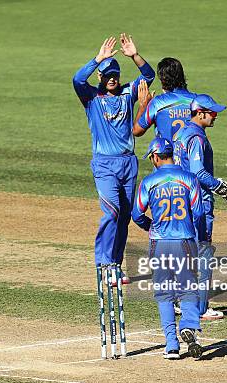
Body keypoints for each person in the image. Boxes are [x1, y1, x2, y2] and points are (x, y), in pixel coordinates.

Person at [72, 34, 155, 281]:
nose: (111, 79)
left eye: (115, 75)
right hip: (104, 164)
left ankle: (115, 265)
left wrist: (134, 56)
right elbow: (77, 79)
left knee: (125, 216)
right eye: (107, 75)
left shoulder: (127, 93)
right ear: (100, 76)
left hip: (128, 162)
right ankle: (104, 263)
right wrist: (99, 58)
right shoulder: (90, 97)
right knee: (112, 212)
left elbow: (149, 77)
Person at [132, 138, 205, 359]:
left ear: (155, 156)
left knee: (164, 293)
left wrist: (150, 226)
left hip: (159, 243)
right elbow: (199, 214)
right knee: (189, 289)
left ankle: (171, 346)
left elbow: (136, 215)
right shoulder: (190, 179)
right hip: (184, 241)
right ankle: (189, 325)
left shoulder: (149, 182)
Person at [173, 94, 227, 320]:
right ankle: (200, 308)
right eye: (212, 112)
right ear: (200, 113)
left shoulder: (183, 133)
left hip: (181, 200)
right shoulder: (196, 138)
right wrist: (221, 186)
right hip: (198, 202)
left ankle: (180, 301)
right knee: (203, 253)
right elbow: (198, 172)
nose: (216, 116)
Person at [132, 57, 196, 142]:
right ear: (182, 76)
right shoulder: (196, 100)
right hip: (192, 154)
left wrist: (143, 105)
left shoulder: (158, 103)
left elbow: (136, 131)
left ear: (162, 80)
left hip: (167, 154)